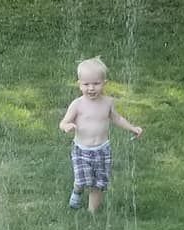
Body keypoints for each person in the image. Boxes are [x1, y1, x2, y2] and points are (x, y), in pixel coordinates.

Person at [59, 56, 143, 212]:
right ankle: (77, 190)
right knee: (82, 180)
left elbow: (116, 118)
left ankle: (92, 214)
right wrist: (67, 126)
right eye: (86, 84)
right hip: (82, 150)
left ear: (104, 83)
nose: (91, 88)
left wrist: (132, 128)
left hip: (102, 150)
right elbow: (63, 122)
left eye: (96, 84)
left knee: (98, 184)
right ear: (79, 84)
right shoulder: (77, 104)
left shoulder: (108, 102)